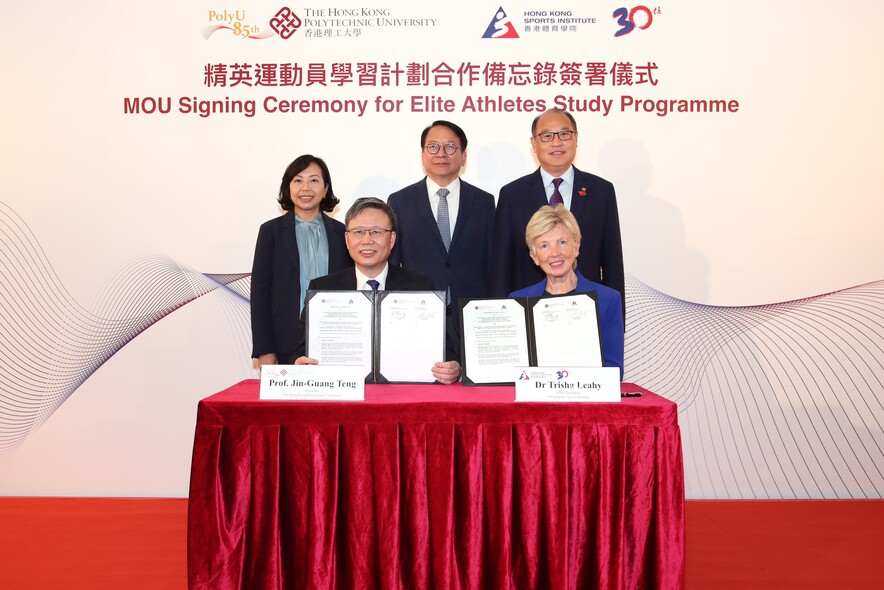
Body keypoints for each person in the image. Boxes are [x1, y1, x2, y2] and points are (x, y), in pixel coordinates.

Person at [294, 197, 462, 384]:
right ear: (347, 239)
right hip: (344, 397)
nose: (367, 240)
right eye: (358, 232)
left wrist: (453, 368)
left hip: (402, 397)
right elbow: (302, 351)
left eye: (376, 232)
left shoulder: (421, 288)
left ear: (391, 239)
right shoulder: (322, 289)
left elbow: (447, 352)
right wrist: (300, 364)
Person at [491, 108, 625, 321]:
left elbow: (613, 263)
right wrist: (502, 322)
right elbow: (501, 269)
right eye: (547, 136)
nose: (556, 142)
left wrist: (615, 320)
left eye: (564, 134)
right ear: (534, 143)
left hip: (587, 312)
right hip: (528, 313)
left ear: (576, 138)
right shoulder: (511, 195)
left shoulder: (602, 191)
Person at [250, 155, 352, 367]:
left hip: (335, 339)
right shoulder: (271, 232)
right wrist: (264, 348)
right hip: (283, 340)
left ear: (325, 189)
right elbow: (260, 293)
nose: (306, 188)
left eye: (314, 180)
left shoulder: (341, 232)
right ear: (288, 188)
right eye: (298, 180)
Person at [387, 120, 495, 309]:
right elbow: (392, 265)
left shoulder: (483, 202)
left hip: (471, 310)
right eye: (433, 147)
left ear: (463, 156)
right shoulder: (400, 201)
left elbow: (492, 262)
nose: (441, 153)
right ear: (422, 155)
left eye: (450, 147)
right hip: (418, 310)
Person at [510, 206, 624, 378]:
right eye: (544, 246)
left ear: (576, 247)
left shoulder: (608, 299)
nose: (554, 253)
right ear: (534, 256)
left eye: (562, 242)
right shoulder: (518, 301)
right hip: (535, 402)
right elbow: (514, 369)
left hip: (586, 401)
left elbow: (614, 371)